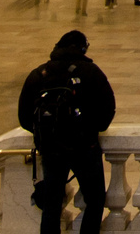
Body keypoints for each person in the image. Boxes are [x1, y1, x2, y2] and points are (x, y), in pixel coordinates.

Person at [17, 30, 116, 234]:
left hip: (51, 149)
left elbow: (24, 116)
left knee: (51, 205)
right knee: (95, 200)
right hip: (84, 149)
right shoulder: (91, 72)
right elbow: (108, 109)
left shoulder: (39, 74)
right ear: (82, 49)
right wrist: (91, 130)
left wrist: (44, 134)